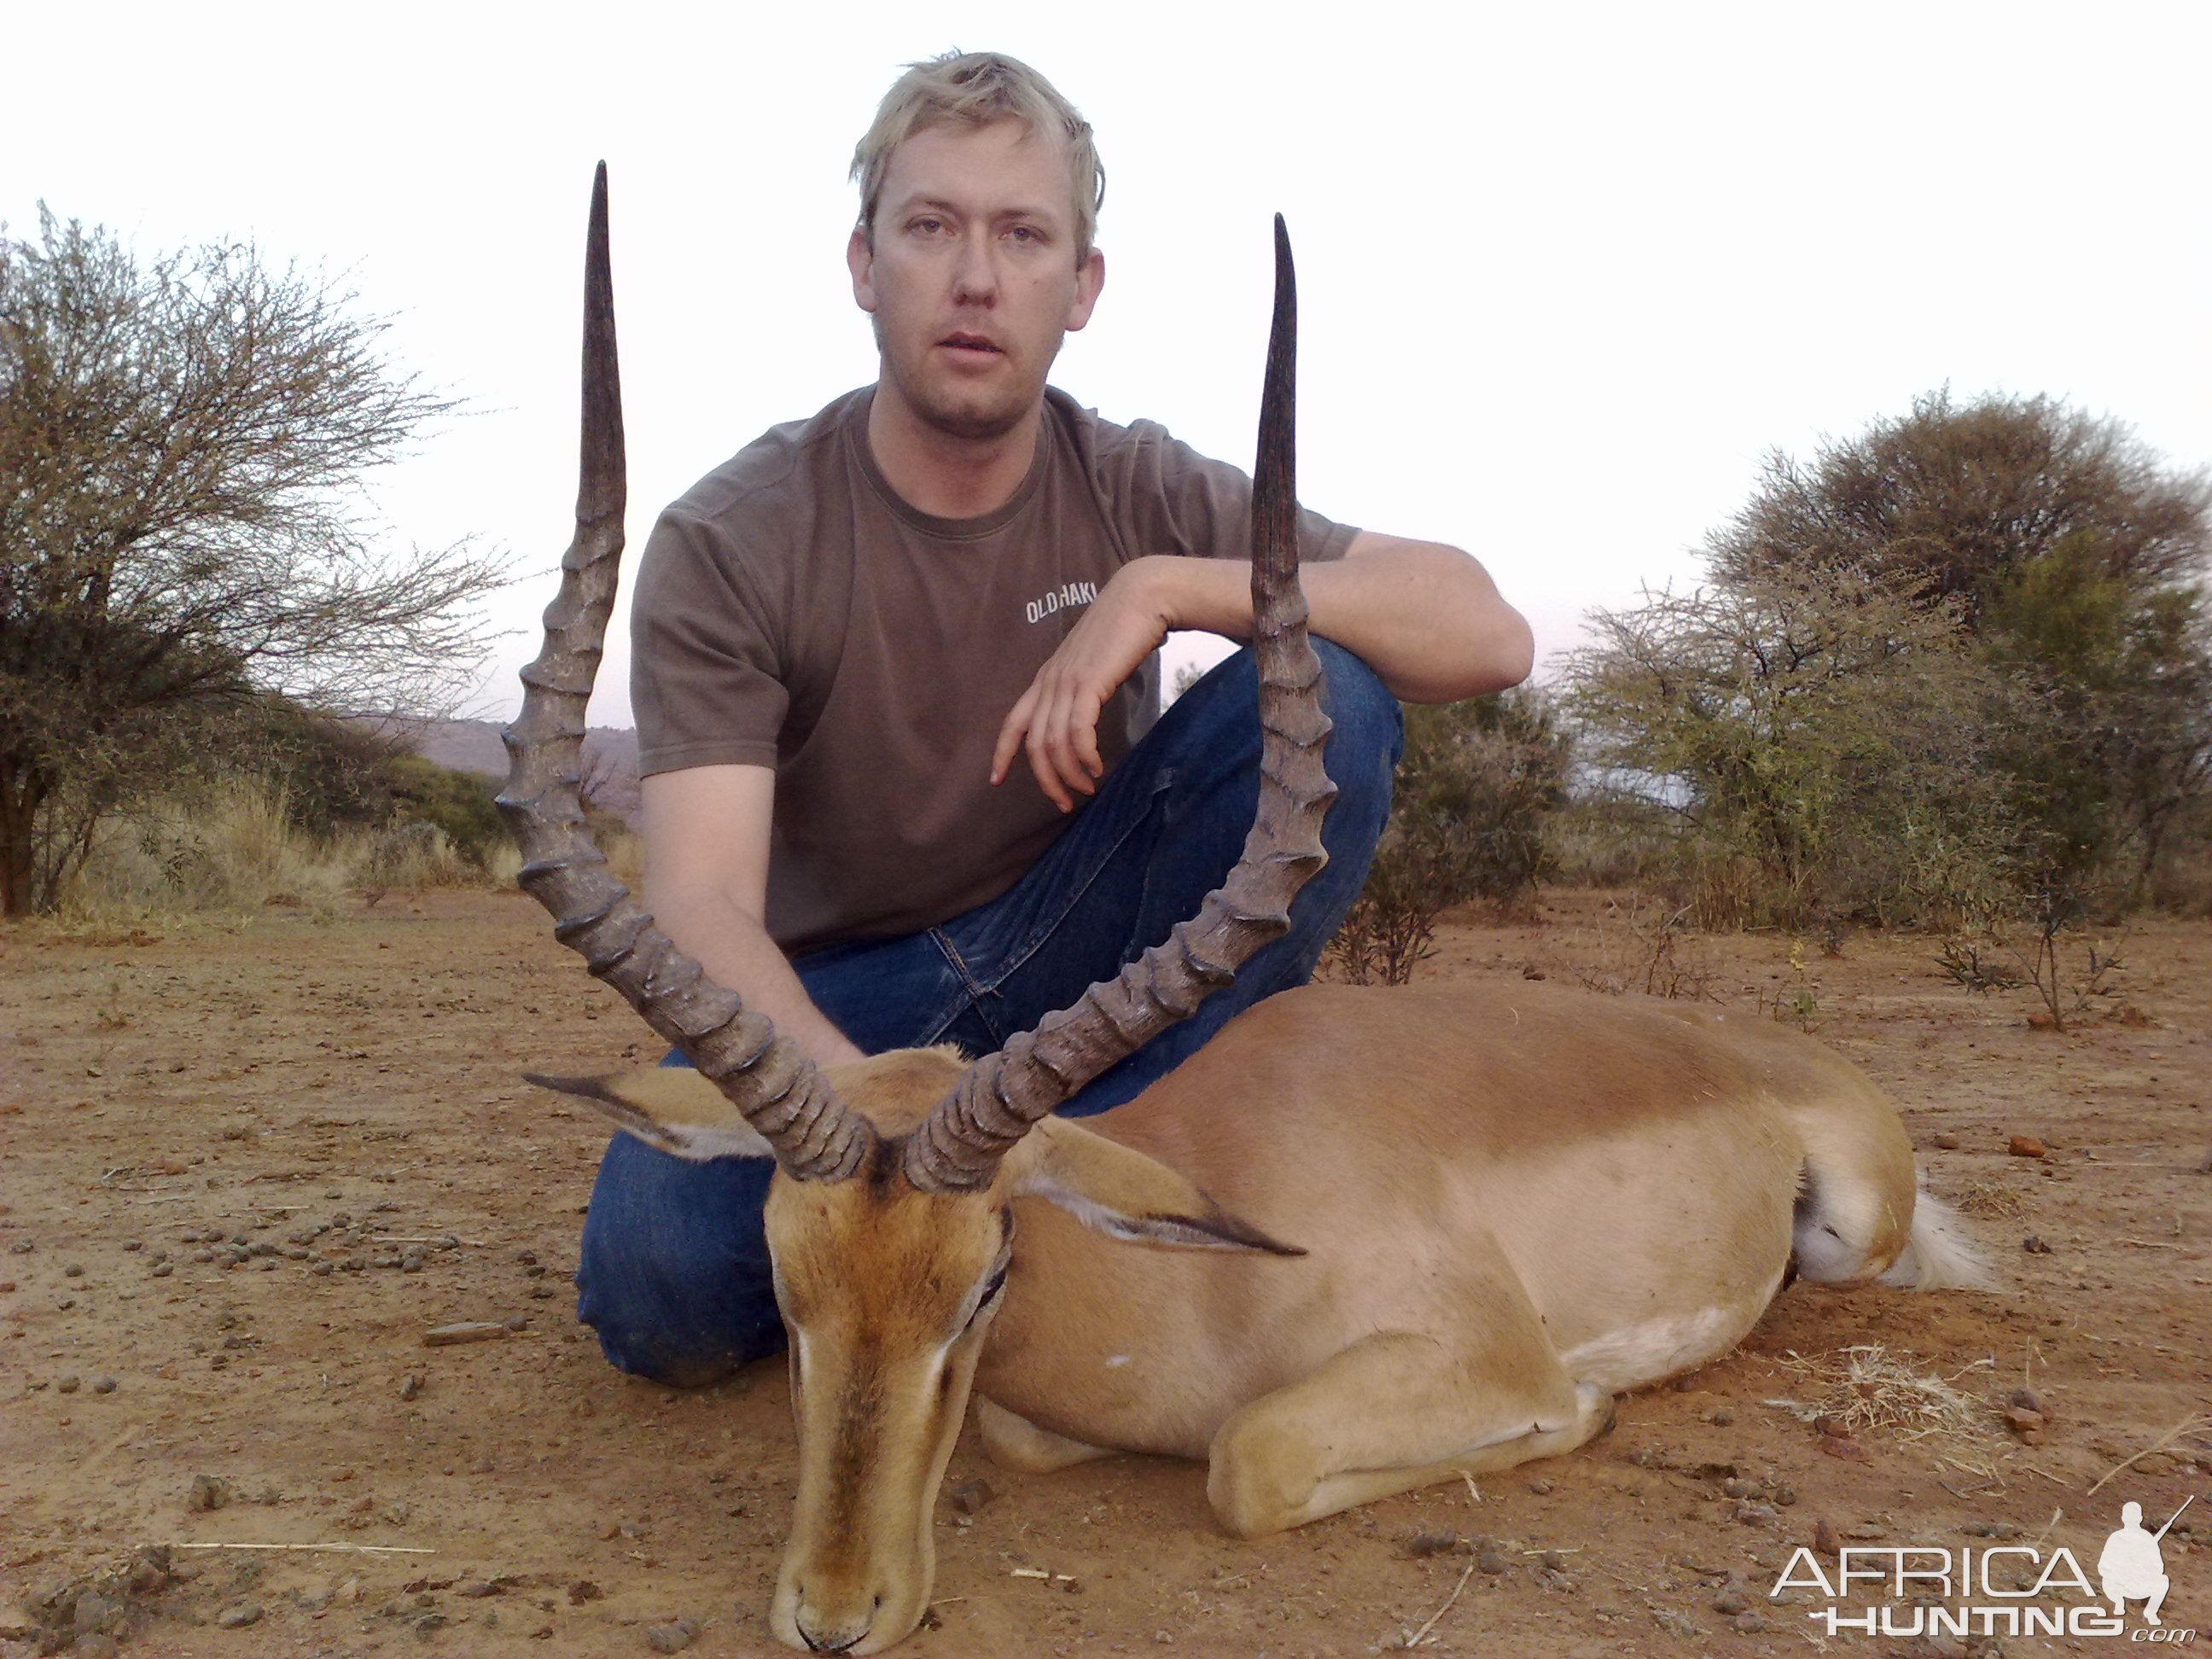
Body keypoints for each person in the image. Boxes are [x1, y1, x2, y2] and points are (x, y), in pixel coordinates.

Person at [576, 50, 1534, 1384]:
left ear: (1080, 288)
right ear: (864, 265)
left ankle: (1123, 1153)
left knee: (1331, 695)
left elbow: (1484, 631)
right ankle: (1034, 1213)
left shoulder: (1130, 481)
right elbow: (700, 900)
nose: (976, 280)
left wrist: (1169, 586)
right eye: (931, 228)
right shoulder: (737, 535)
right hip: (842, 1000)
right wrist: (869, 1128)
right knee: (659, 1293)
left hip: (1082, 965)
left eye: (1023, 235)